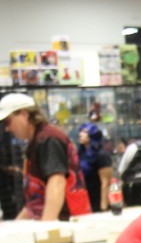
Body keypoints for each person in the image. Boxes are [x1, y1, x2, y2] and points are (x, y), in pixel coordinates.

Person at [0, 92, 87, 220]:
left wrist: (46, 229)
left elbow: (56, 182)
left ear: (24, 114)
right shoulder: (36, 141)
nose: (7, 128)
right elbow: (36, 201)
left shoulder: (48, 139)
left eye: (8, 121)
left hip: (66, 223)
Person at [77, 123, 113, 212]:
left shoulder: (101, 155)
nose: (80, 134)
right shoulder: (80, 154)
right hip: (85, 199)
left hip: (97, 199)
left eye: (84, 132)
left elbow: (106, 183)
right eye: (80, 131)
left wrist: (103, 206)